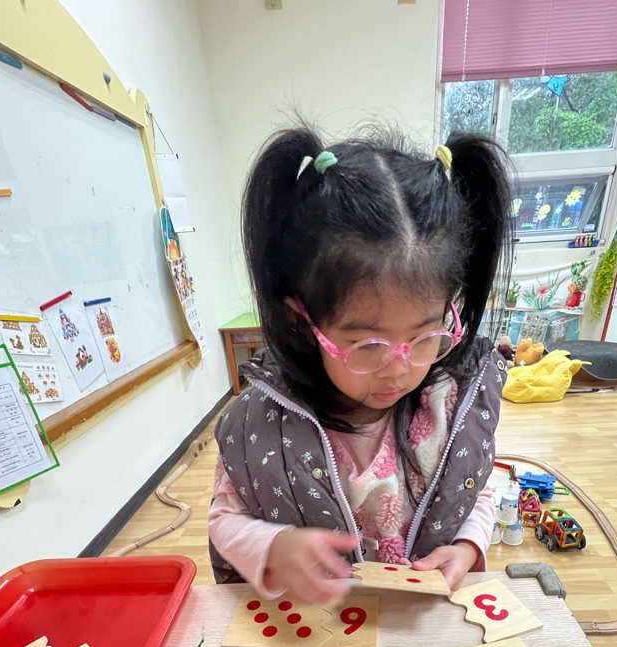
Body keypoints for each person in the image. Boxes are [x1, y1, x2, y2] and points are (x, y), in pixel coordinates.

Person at [209, 124, 512, 605]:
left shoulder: (451, 405)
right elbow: (225, 519)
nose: (398, 368)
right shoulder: (260, 427)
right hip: (322, 622)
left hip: (415, 621)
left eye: (425, 337)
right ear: (303, 320)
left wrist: (466, 546)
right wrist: (274, 546)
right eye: (367, 345)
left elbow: (476, 489)